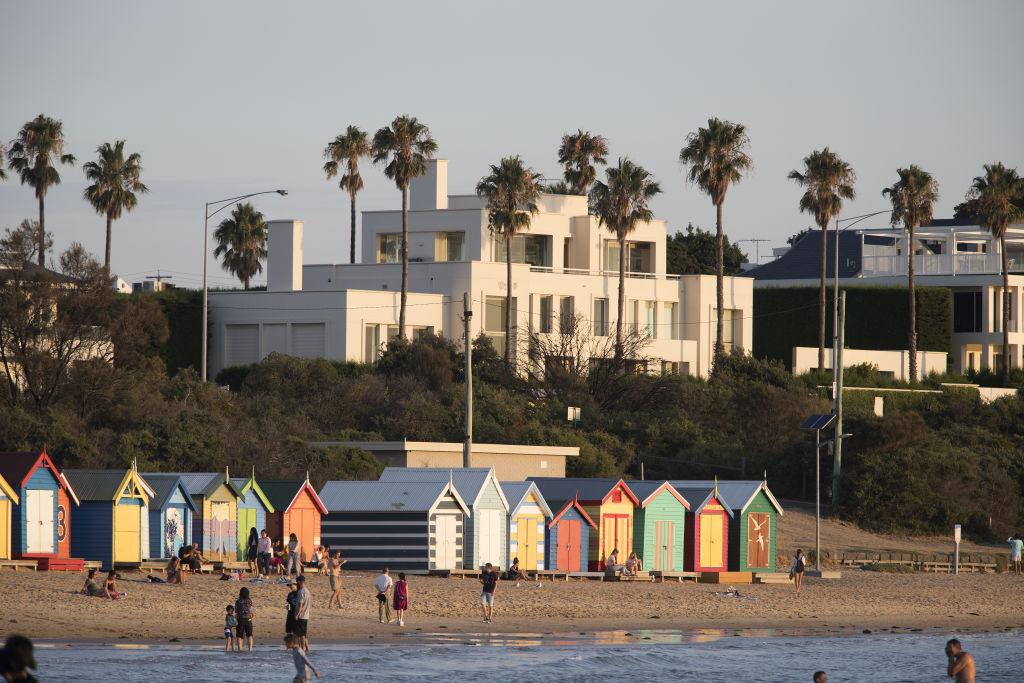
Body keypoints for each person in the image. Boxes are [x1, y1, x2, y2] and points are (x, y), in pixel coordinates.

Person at [294, 575, 312, 652]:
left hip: (301, 616)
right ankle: (307, 649)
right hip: (306, 615)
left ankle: (302, 649)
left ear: (299, 582)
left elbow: (300, 605)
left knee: (301, 635)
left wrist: (297, 615)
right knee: (304, 634)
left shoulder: (301, 592)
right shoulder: (307, 591)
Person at [235, 587, 255, 652]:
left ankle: (240, 649)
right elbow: (251, 609)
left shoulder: (238, 601)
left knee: (239, 636)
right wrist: (253, 616)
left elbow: (236, 611)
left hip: (240, 619)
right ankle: (250, 649)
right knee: (249, 635)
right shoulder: (249, 601)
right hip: (248, 619)